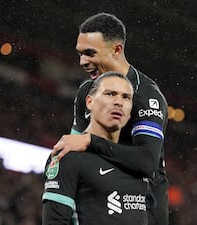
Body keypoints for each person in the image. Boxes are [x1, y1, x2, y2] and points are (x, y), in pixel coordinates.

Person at [52, 13, 169, 225]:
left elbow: (146, 162)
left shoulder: (146, 96)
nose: (82, 62)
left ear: (116, 50)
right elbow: (71, 149)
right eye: (80, 54)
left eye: (90, 54)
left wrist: (91, 141)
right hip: (98, 207)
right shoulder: (87, 92)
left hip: (142, 211)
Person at [42, 72, 148, 225]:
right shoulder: (69, 155)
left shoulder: (137, 162)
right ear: (90, 102)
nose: (119, 102)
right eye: (110, 94)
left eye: (126, 97)